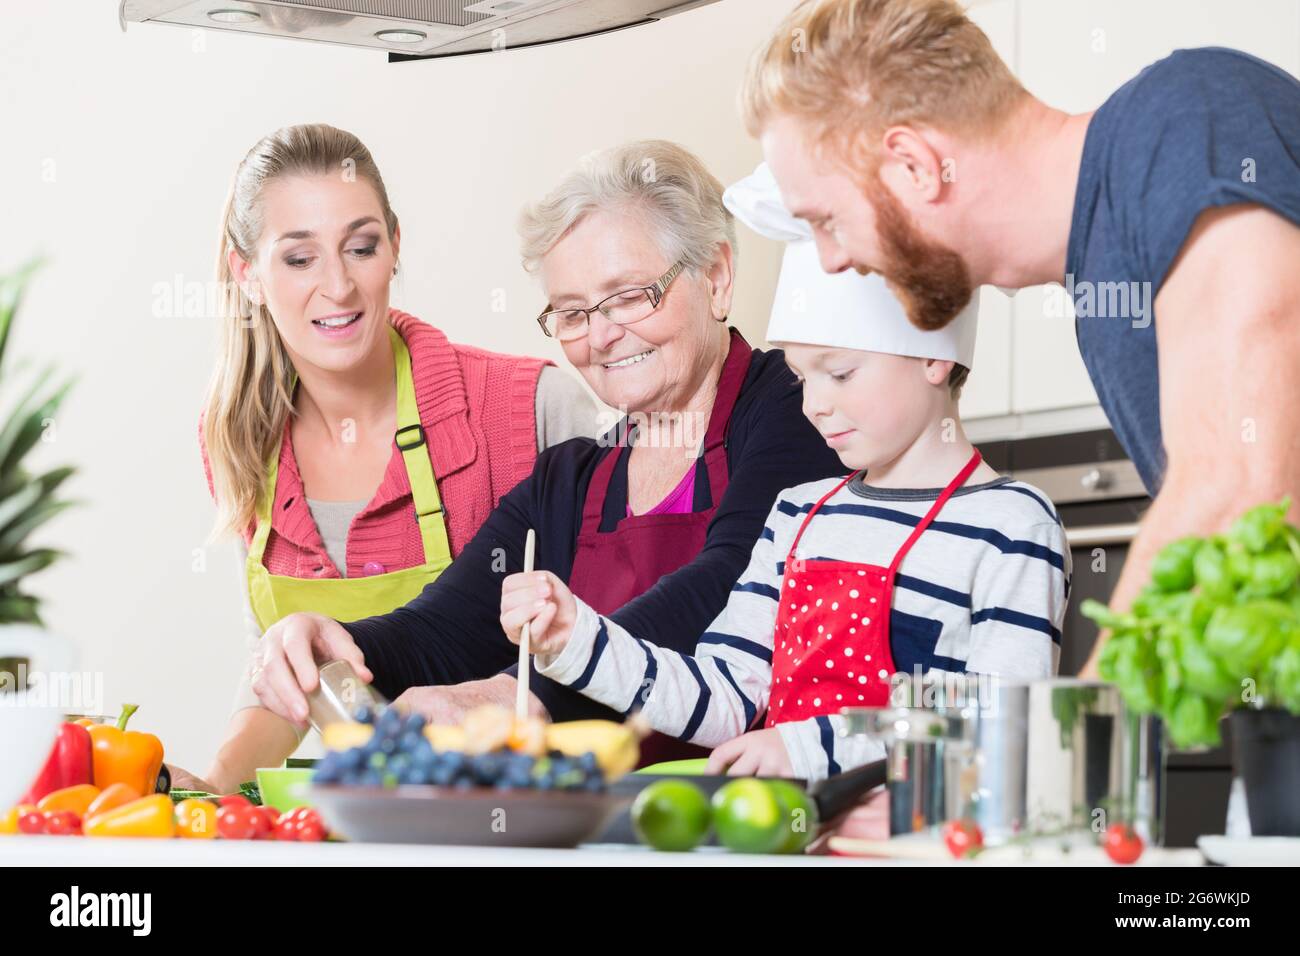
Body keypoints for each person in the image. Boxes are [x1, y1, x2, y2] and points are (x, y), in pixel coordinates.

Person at [740, 0, 1300, 688]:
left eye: (828, 219)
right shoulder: (1099, 285)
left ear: (915, 166)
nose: (830, 260)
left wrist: (1064, 753)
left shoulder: (1188, 116)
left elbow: (1241, 495)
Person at [240, 141, 846, 769]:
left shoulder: (799, 409)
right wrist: (331, 641)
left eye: (631, 295)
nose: (604, 336)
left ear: (715, 276)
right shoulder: (572, 480)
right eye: (573, 312)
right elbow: (445, 631)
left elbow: (730, 584)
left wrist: (521, 696)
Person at [498, 162, 1069, 781]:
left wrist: (806, 748)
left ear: (932, 353)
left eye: (841, 373)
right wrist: (578, 637)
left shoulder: (1010, 525)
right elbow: (720, 698)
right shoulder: (799, 514)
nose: (814, 403)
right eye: (801, 377)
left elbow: (1001, 725)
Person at [173, 123, 598, 795]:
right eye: (299, 258)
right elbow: (291, 672)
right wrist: (209, 796)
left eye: (361, 247)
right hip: (378, 821)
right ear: (246, 272)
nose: (338, 286)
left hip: (533, 819)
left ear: (394, 247)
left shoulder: (533, 410)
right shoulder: (241, 436)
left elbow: (644, 633)